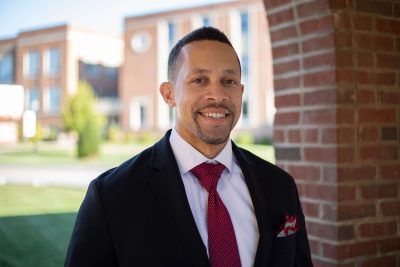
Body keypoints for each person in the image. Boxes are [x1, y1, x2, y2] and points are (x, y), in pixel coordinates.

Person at [65, 26, 313, 267]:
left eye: (228, 81)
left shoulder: (280, 185)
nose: (217, 95)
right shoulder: (111, 196)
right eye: (200, 80)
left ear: (241, 91)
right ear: (168, 94)